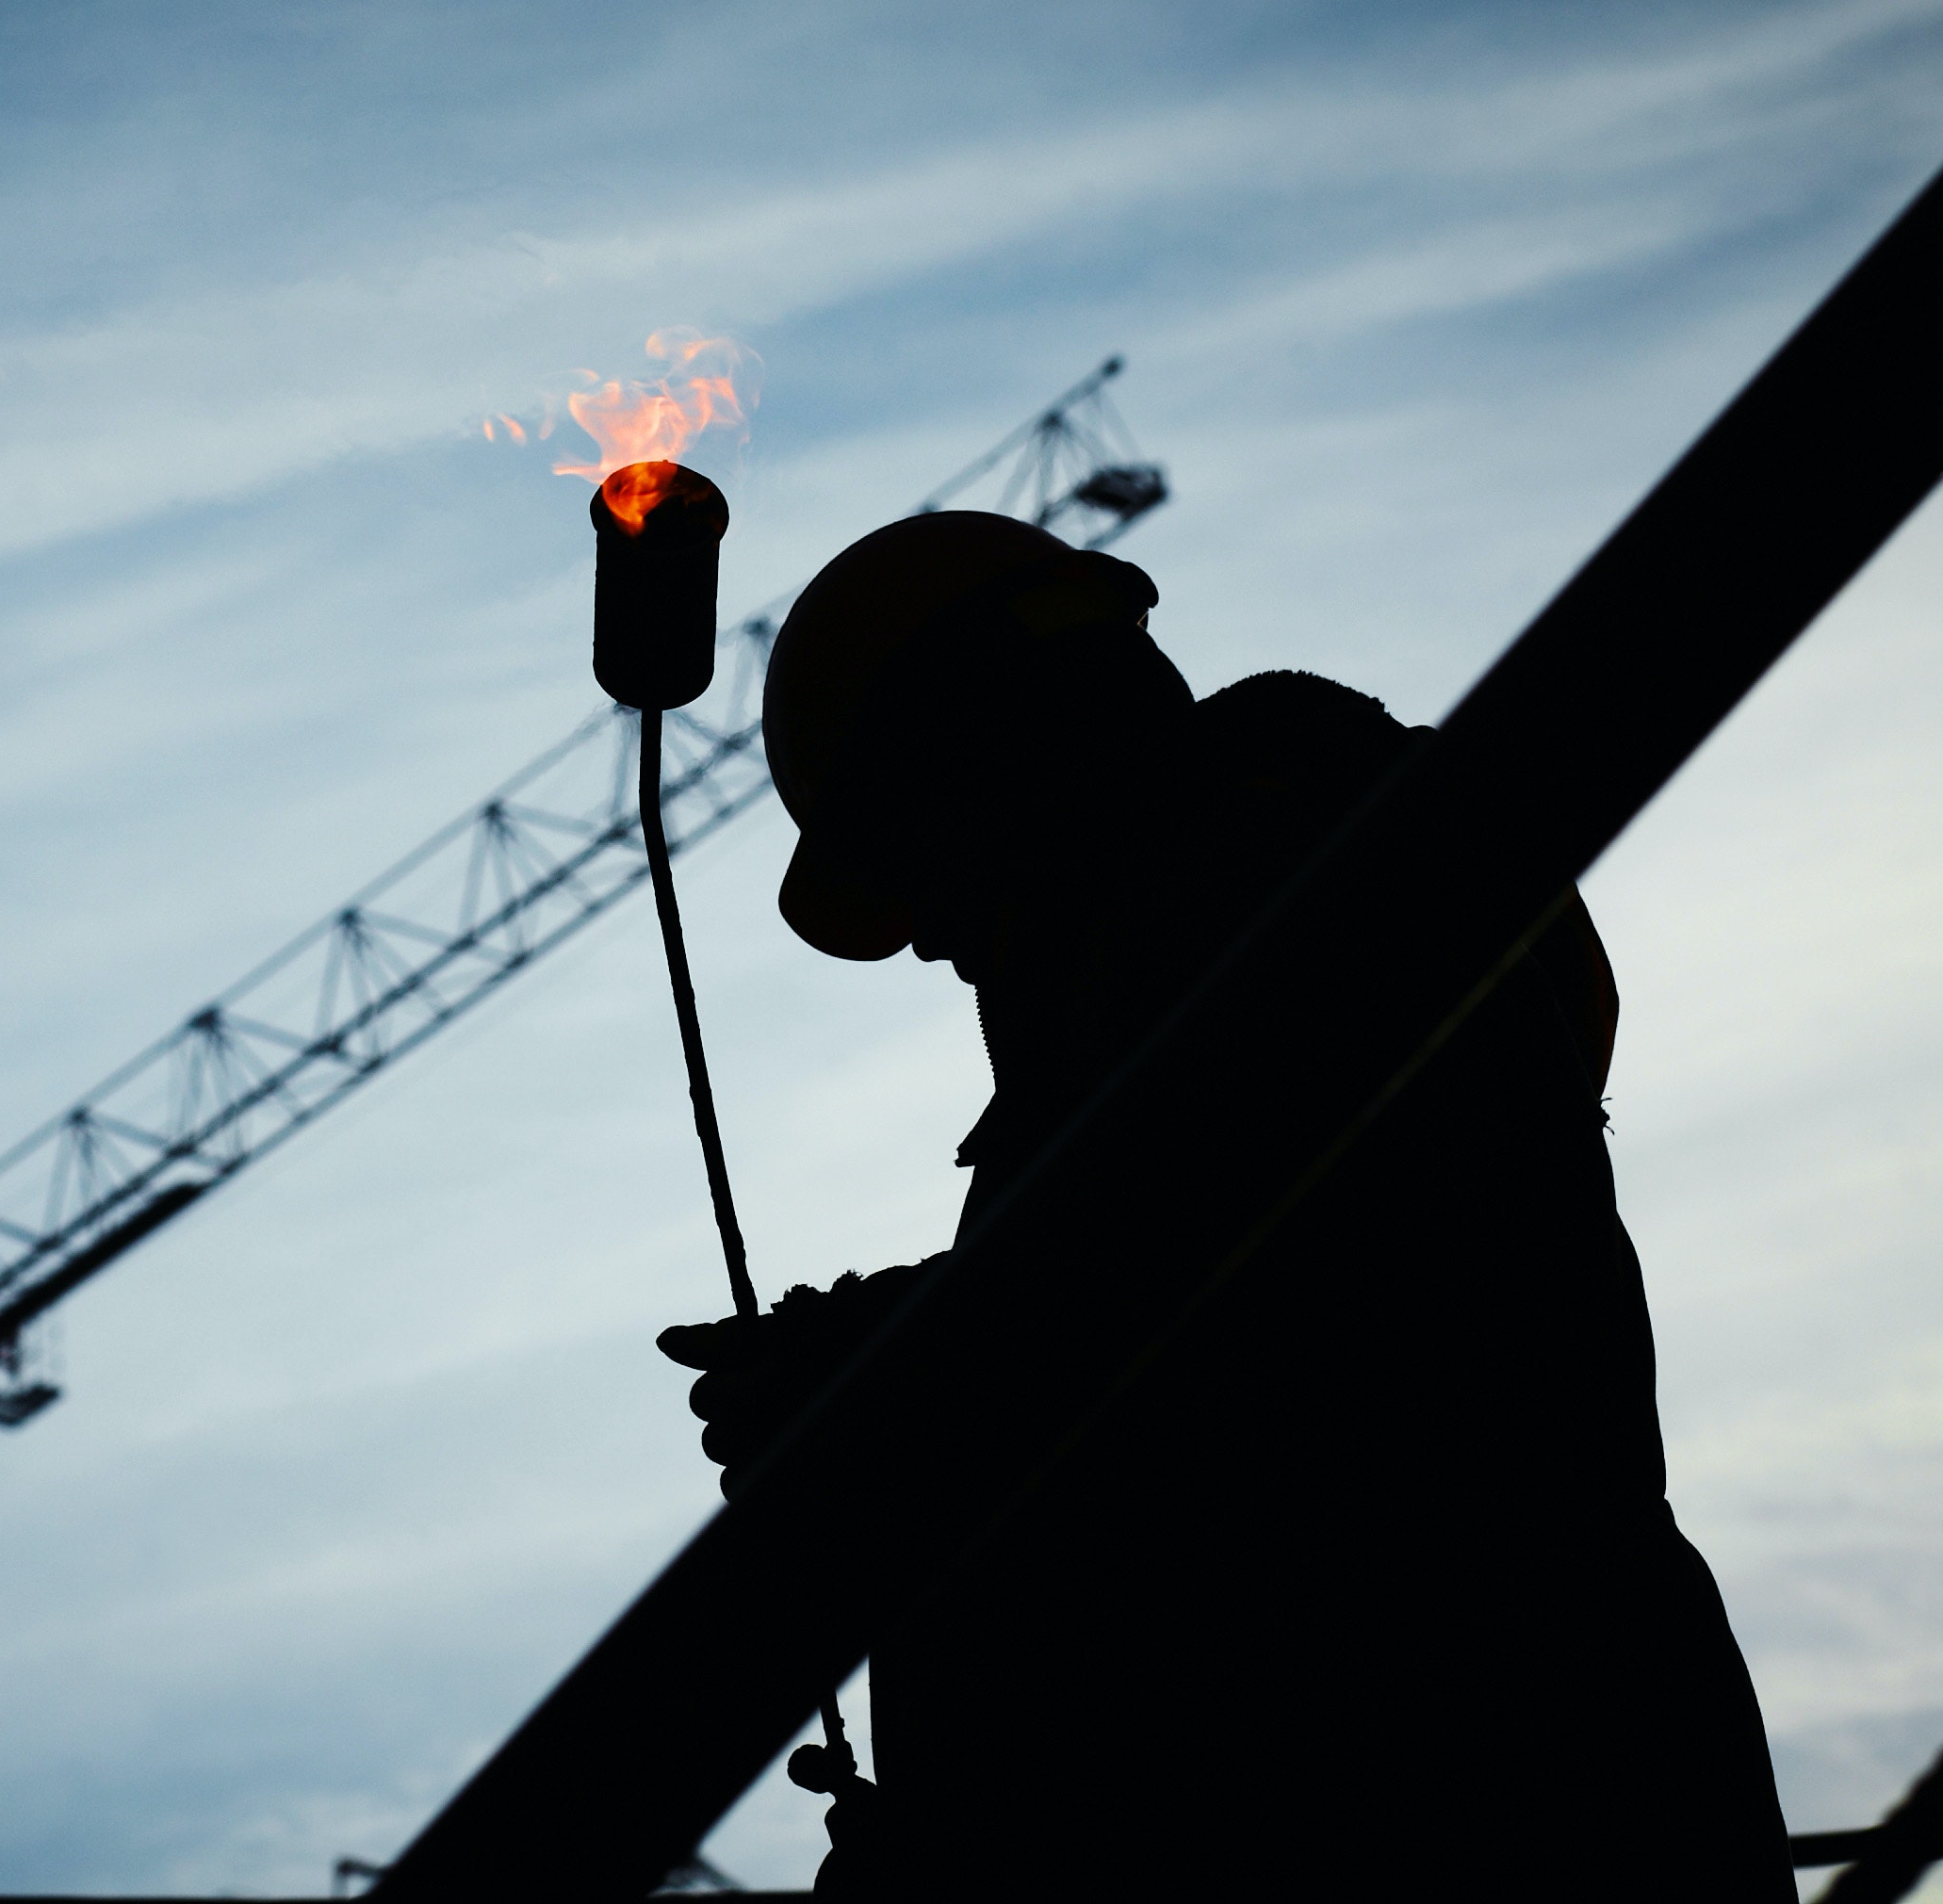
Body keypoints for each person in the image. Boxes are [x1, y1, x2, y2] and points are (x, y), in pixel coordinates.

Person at [659, 512, 1791, 1899]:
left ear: (986, 747)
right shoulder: (1256, 956)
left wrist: (884, 1383)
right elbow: (1172, 1312)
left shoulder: (1299, 909)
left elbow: (1262, 1391)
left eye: (915, 861)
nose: (932, 940)